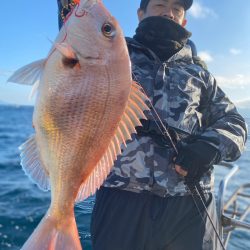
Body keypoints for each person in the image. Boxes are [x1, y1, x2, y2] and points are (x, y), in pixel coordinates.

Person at [57, 1, 247, 249]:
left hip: (190, 204)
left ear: (184, 21)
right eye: (159, 4)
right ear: (140, 14)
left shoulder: (200, 74)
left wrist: (210, 146)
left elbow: (235, 122)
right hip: (122, 199)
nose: (169, 12)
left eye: (177, 9)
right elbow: (76, 37)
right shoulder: (111, 52)